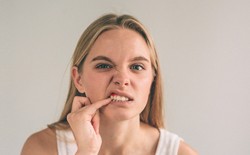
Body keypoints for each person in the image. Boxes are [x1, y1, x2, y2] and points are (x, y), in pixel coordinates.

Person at [21, 13, 198, 155]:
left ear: (153, 79)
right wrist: (86, 152)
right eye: (104, 65)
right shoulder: (42, 148)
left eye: (136, 66)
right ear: (78, 79)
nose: (122, 79)